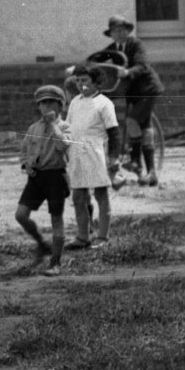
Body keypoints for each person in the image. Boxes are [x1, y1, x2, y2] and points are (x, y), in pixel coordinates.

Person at [90, 14, 165, 187]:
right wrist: (78, 68)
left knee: (131, 121)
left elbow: (142, 65)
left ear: (127, 31)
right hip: (133, 92)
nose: (119, 33)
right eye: (115, 31)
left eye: (122, 30)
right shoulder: (114, 48)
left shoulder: (135, 44)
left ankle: (137, 162)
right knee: (144, 127)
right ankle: (150, 173)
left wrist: (128, 72)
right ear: (111, 34)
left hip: (147, 89)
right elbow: (95, 60)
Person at [64, 62, 121, 250]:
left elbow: (114, 133)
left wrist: (114, 157)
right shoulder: (75, 102)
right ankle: (83, 236)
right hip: (77, 153)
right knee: (78, 196)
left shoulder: (104, 103)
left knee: (100, 194)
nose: (81, 85)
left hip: (96, 153)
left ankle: (102, 237)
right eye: (78, 80)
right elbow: (69, 128)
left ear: (96, 82)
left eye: (85, 80)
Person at [15, 84, 71, 276]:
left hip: (56, 176)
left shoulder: (65, 126)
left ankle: (56, 262)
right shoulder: (33, 128)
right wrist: (26, 164)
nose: (46, 107)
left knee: (56, 219)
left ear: (60, 105)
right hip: (37, 177)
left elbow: (64, 146)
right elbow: (24, 150)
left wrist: (54, 125)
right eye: (42, 103)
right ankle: (42, 243)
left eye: (51, 103)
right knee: (21, 215)